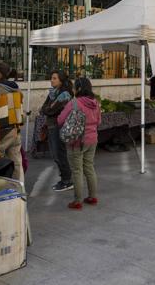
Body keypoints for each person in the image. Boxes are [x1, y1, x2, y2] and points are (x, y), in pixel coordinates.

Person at [58, 77, 102, 209]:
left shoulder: (74, 103)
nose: (72, 89)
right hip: (92, 139)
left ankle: (77, 201)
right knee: (89, 167)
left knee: (77, 170)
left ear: (78, 89)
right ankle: (92, 197)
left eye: (74, 87)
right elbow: (99, 121)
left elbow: (60, 120)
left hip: (76, 141)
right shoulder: (96, 103)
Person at [39, 70, 73, 192]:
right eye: (51, 78)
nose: (51, 80)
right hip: (51, 125)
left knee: (59, 154)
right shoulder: (53, 93)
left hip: (59, 126)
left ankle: (67, 180)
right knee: (56, 154)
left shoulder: (64, 94)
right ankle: (65, 178)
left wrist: (47, 109)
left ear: (61, 80)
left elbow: (51, 110)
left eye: (54, 78)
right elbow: (44, 108)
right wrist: (47, 109)